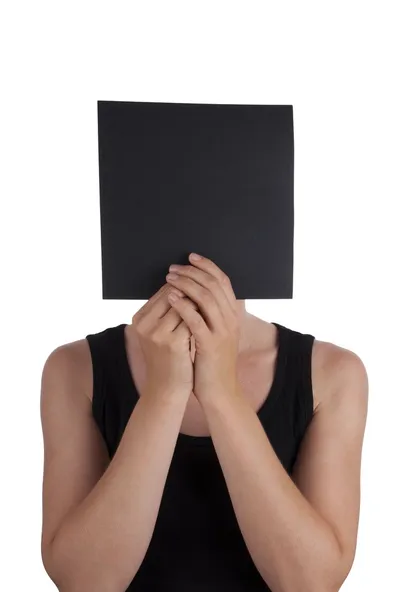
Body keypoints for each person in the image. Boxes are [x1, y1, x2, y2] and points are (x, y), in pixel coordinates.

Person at [40, 252, 368, 592]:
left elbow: (311, 583)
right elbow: (82, 582)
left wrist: (221, 393)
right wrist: (164, 393)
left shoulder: (333, 374)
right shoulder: (75, 369)